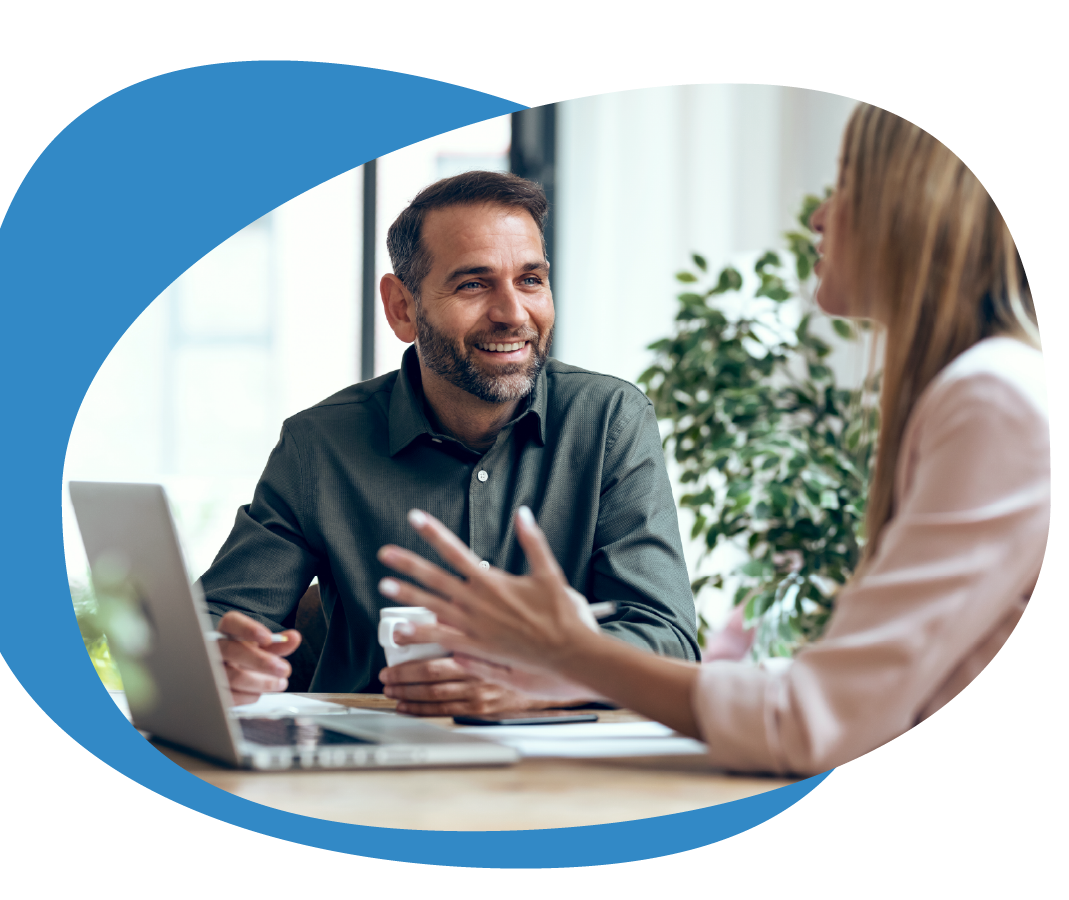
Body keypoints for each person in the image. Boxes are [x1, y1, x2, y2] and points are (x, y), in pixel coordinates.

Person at [376, 103, 1051, 773]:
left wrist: (574, 655)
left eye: (845, 185)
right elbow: (870, 691)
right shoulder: (982, 390)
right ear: (402, 307)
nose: (818, 216)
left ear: (915, 211)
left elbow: (811, 722)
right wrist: (576, 671)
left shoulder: (993, 399)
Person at [201, 171, 701, 714]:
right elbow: (217, 619)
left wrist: (542, 678)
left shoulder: (610, 421)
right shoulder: (319, 444)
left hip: (557, 765)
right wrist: (224, 658)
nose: (513, 314)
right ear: (402, 307)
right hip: (368, 761)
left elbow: (668, 641)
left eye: (530, 280)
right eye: (473, 284)